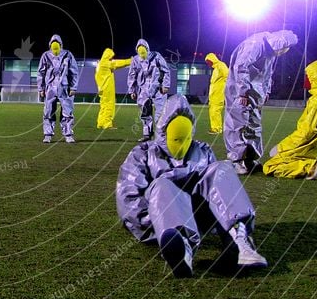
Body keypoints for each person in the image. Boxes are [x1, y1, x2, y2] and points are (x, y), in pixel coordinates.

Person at [115, 94, 268, 278]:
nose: (182, 144)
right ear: (163, 134)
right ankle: (181, 242)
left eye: (185, 138)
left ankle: (238, 239)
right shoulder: (143, 154)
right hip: (161, 219)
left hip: (198, 218)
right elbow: (128, 199)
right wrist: (157, 220)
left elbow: (217, 191)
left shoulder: (202, 151)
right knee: (163, 184)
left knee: (221, 168)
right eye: (176, 139)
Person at [224, 30, 298, 175]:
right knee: (237, 124)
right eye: (284, 48)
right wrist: (242, 92)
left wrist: (266, 91)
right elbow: (241, 67)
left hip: (255, 92)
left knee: (254, 125)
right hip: (240, 92)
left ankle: (250, 159)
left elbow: (267, 73)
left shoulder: (270, 51)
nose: (283, 52)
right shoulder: (255, 45)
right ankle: (235, 161)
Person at [264, 60, 317, 180]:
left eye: (308, 76)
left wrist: (282, 147)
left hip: (305, 147)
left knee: (271, 166)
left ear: (315, 77)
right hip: (315, 148)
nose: (306, 79)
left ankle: (310, 167)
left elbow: (307, 132)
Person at [127, 39, 170, 142]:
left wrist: (165, 85)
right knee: (145, 114)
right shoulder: (136, 60)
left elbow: (166, 70)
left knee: (161, 113)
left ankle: (161, 136)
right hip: (143, 90)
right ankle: (147, 135)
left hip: (158, 89)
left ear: (147, 50)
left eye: (144, 54)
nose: (143, 57)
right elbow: (132, 75)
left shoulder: (156, 56)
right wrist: (132, 90)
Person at [38, 34, 78, 143]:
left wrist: (73, 87)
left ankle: (68, 134)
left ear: (61, 44)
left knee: (67, 112)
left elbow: (74, 72)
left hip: (65, 88)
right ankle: (48, 134)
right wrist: (41, 89)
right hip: (50, 88)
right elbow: (41, 73)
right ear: (50, 44)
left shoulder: (67, 55)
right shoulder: (46, 56)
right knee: (48, 111)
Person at [95, 48, 132, 130]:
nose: (112, 58)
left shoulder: (100, 64)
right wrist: (131, 60)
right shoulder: (106, 63)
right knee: (109, 105)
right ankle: (107, 124)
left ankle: (100, 123)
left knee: (103, 106)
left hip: (101, 88)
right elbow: (120, 63)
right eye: (111, 57)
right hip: (107, 88)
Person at [204, 53, 229, 135]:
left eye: (208, 61)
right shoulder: (215, 69)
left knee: (215, 111)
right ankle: (214, 128)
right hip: (214, 95)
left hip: (219, 93)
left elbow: (227, 75)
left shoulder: (221, 65)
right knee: (213, 111)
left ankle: (217, 128)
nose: (208, 63)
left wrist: (224, 87)